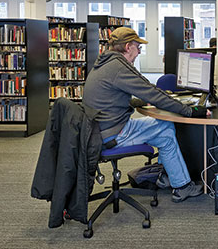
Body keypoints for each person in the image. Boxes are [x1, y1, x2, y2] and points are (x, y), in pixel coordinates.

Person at [83, 27, 209, 202]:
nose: (139, 51)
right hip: (112, 134)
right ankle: (181, 186)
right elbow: (152, 93)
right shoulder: (119, 67)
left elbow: (111, 97)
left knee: (164, 128)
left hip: (98, 131)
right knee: (165, 128)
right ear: (128, 47)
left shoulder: (104, 62)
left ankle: (168, 177)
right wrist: (190, 111)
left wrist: (138, 102)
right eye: (138, 47)